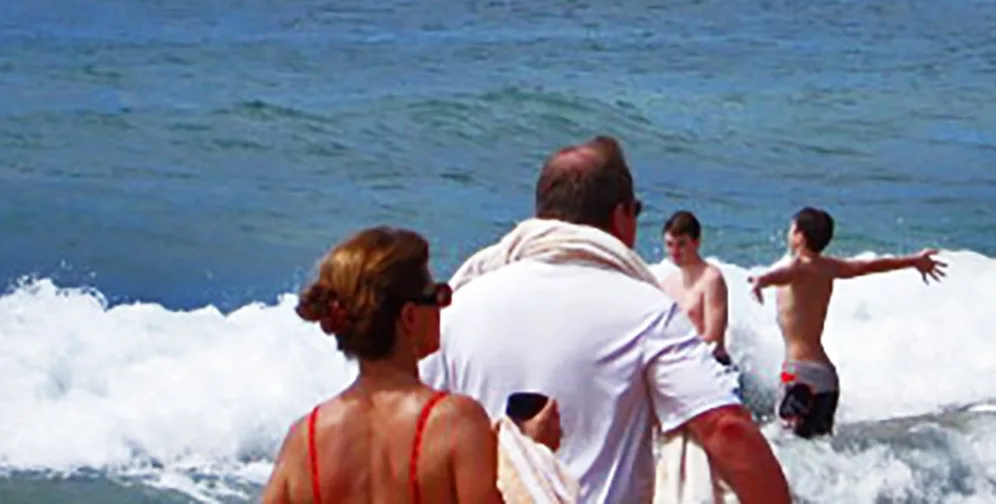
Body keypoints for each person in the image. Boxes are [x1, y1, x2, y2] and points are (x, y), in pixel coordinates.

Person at [426, 136, 790, 504]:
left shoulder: (459, 306)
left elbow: (413, 432)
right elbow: (725, 428)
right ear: (621, 216)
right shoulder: (645, 310)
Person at [263, 226, 504, 504]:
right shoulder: (454, 421)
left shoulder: (305, 438)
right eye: (438, 296)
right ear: (410, 316)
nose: (443, 308)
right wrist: (525, 453)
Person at [748, 207, 946, 439]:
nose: (788, 234)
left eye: (791, 229)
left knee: (788, 443)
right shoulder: (829, 267)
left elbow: (783, 274)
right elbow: (870, 266)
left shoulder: (799, 266)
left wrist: (761, 280)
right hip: (826, 377)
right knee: (820, 447)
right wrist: (913, 261)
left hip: (797, 374)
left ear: (799, 237)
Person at [659, 210, 731, 366]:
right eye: (670, 244)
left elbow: (713, 337)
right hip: (681, 362)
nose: (675, 252)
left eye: (681, 244)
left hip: (712, 364)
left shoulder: (711, 279)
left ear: (697, 242)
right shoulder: (668, 284)